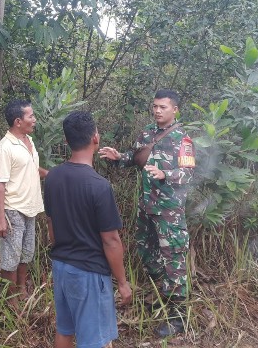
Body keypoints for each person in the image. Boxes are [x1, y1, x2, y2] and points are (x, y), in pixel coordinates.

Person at [99, 89, 195, 338]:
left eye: (163, 107)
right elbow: (135, 158)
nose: (157, 111)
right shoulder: (147, 133)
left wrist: (167, 174)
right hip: (146, 208)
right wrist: (118, 157)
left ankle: (177, 317)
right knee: (146, 252)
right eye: (154, 106)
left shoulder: (182, 140)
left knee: (173, 260)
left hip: (169, 213)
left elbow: (188, 173)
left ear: (174, 109)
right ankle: (163, 293)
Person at [45, 111, 132, 348]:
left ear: (66, 141)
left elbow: (51, 225)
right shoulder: (99, 186)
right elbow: (111, 241)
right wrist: (122, 283)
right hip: (88, 274)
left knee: (64, 330)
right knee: (93, 341)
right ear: (96, 137)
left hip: (61, 267)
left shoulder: (52, 177)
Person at [0, 99, 48, 304]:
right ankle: (11, 301)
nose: (34, 120)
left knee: (26, 254)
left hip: (30, 207)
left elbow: (31, 169)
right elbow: (0, 185)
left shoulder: (28, 141)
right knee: (10, 258)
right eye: (30, 116)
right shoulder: (5, 148)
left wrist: (51, 174)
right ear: (18, 121)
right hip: (13, 209)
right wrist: (0, 217)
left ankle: (21, 289)